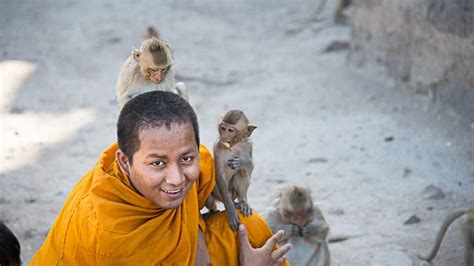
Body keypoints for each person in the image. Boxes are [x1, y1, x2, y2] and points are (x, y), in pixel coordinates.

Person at [30, 91, 291, 265]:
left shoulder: (194, 159)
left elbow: (208, 184)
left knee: (250, 228)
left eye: (186, 159)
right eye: (158, 163)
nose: (177, 178)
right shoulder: (110, 235)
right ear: (124, 161)